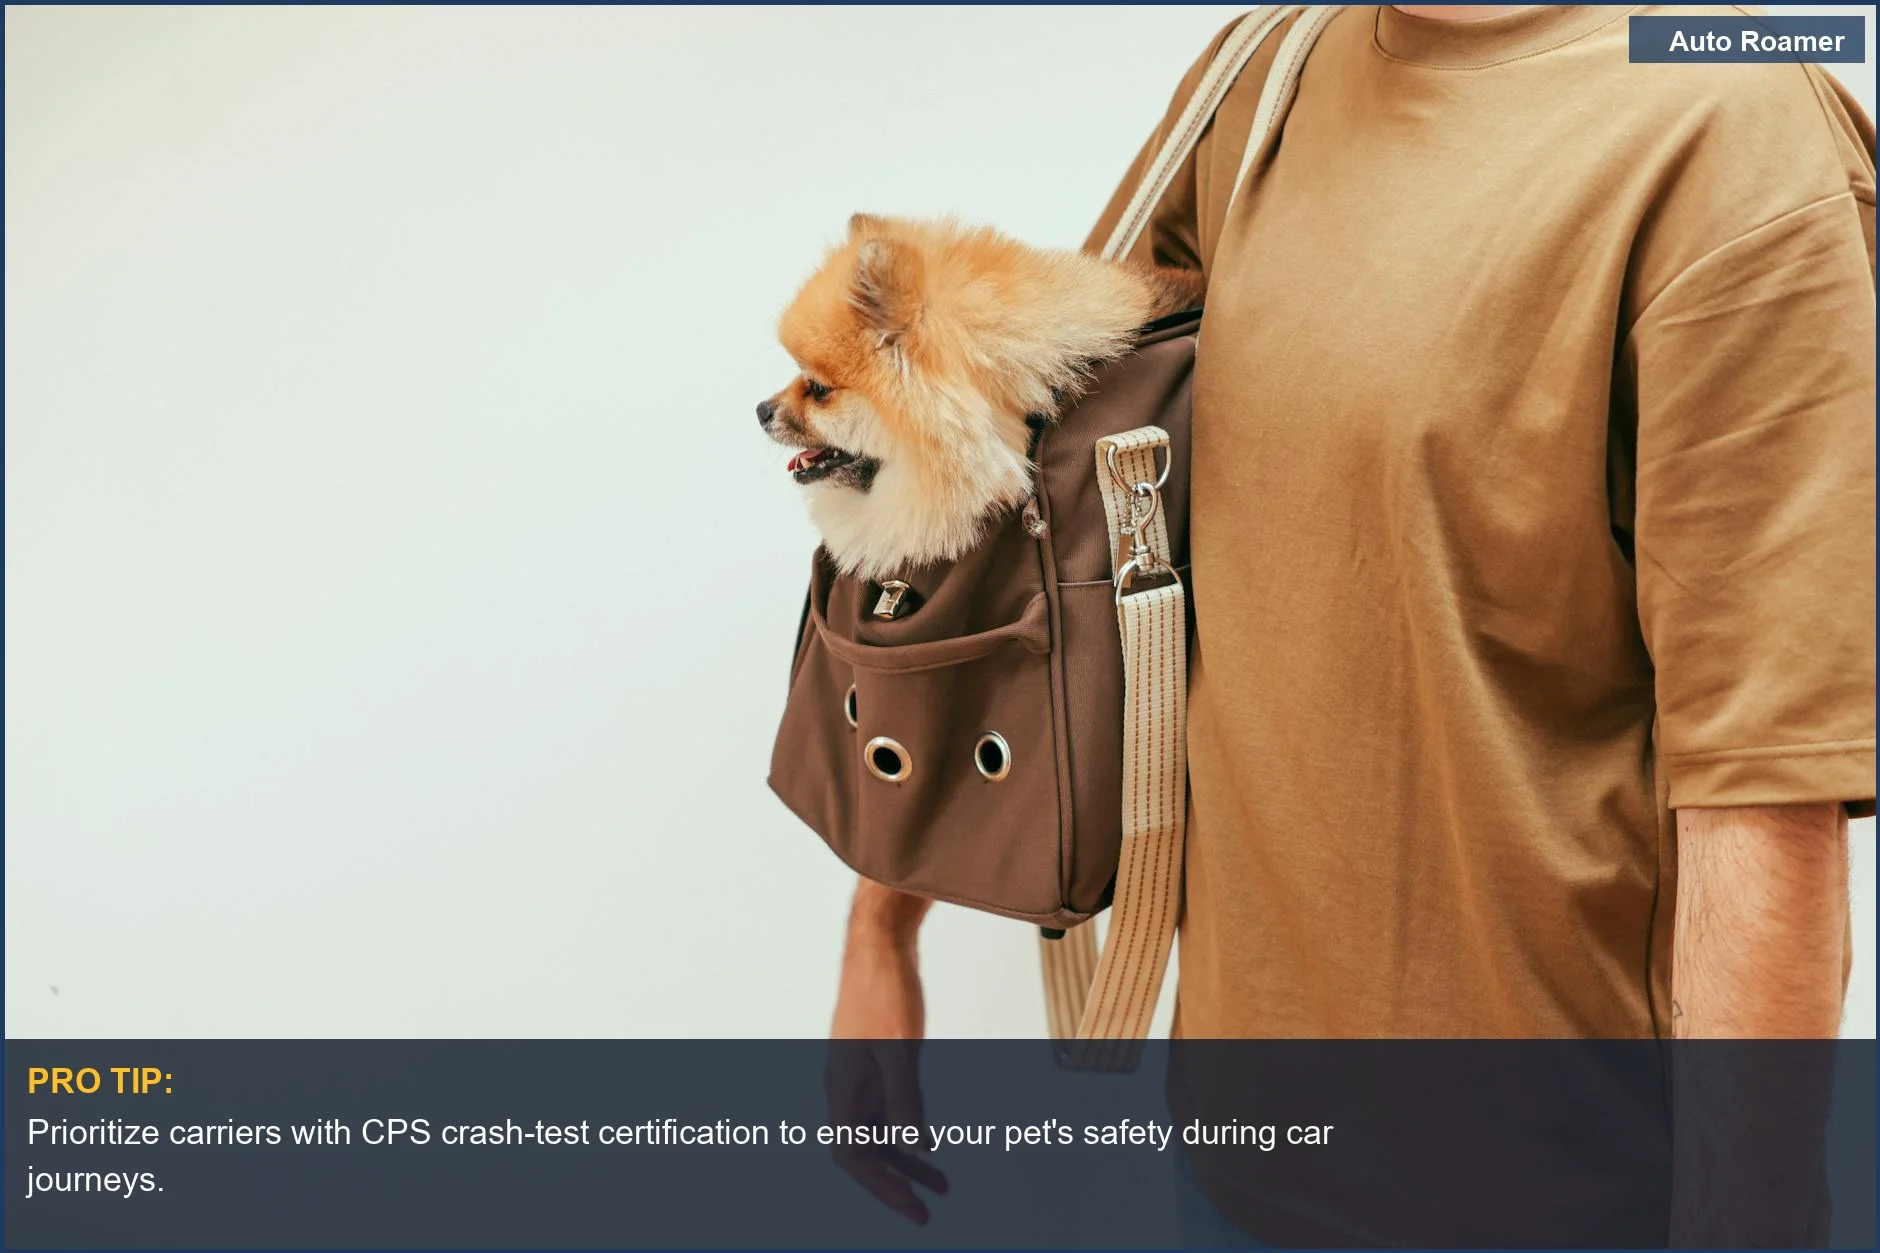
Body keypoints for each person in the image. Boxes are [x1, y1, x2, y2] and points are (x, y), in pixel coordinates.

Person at [826, 4, 1876, 1243]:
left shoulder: (1735, 122)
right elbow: (1030, 510)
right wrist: (880, 919)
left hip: (1565, 1195)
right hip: (1232, 1158)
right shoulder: (1267, 65)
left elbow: (1759, 776)